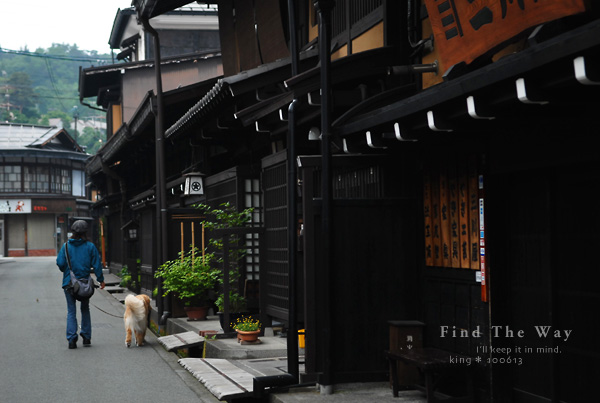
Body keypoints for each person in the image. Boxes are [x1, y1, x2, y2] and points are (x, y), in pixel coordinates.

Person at [56, 220, 106, 349]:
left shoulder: (66, 246)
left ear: (72, 232)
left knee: (71, 311)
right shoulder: (90, 247)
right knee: (85, 308)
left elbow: (60, 263)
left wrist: (67, 271)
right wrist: (101, 280)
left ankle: (72, 340)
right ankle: (87, 337)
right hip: (85, 284)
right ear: (85, 232)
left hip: (69, 283)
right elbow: (97, 265)